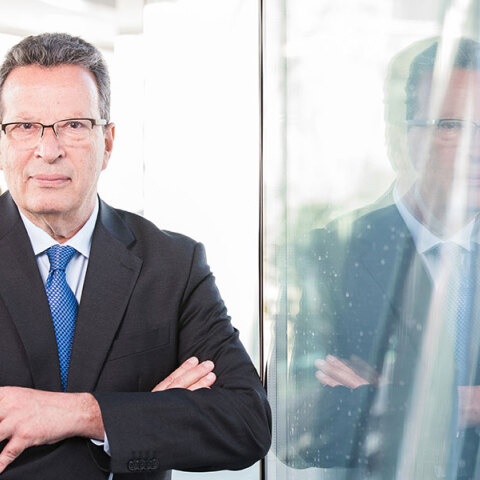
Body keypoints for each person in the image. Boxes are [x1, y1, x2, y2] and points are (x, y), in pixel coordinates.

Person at [0, 33, 271, 479]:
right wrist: (144, 414)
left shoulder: (174, 265)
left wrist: (85, 415)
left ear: (107, 142)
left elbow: (246, 421)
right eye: (25, 126)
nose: (48, 150)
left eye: (74, 125)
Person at [287, 37, 480, 478]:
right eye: (452, 125)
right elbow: (301, 429)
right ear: (403, 135)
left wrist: (389, 394)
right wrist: (468, 402)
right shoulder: (332, 253)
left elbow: (353, 412)